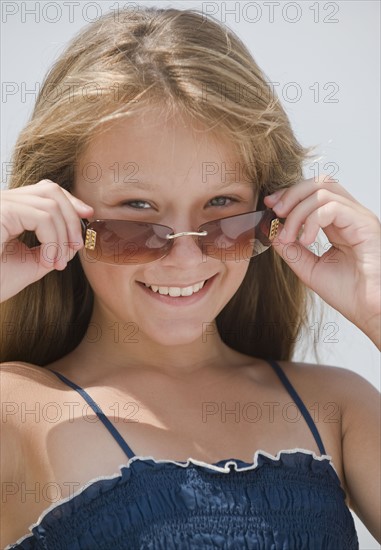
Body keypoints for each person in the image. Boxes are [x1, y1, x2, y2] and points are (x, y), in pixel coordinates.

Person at [1, 6, 380, 549]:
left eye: (222, 209)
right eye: (136, 212)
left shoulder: (338, 408)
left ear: (271, 213)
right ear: (61, 210)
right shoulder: (17, 411)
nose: (184, 258)